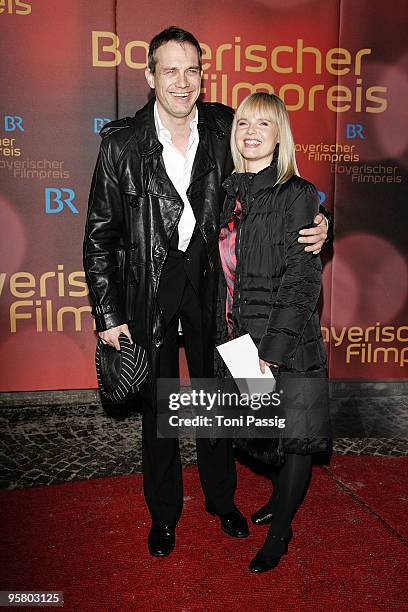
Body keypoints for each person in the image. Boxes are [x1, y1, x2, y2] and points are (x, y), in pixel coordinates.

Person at [83, 27, 329, 559]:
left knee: (215, 401)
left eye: (191, 69)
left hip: (213, 288)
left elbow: (280, 185)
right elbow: (99, 236)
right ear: (150, 77)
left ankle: (223, 502)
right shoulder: (121, 144)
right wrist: (107, 312)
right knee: (161, 406)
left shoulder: (222, 126)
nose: (181, 81)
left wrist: (323, 219)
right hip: (149, 289)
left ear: (202, 75)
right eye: (169, 70)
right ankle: (164, 513)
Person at [217, 92, 331, 573]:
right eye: (244, 122)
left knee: (297, 439)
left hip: (287, 344)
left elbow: (303, 282)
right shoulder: (228, 192)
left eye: (264, 124)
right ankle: (279, 503)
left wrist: (275, 350)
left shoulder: (298, 194)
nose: (251, 131)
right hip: (241, 341)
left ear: (280, 134)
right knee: (264, 434)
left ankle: (282, 530)